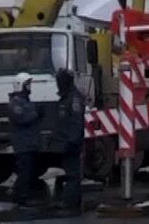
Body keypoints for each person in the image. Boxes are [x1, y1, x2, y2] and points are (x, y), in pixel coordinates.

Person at [8, 72, 41, 207]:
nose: (29, 87)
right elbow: (22, 118)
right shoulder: (16, 102)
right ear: (20, 86)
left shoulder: (25, 101)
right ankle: (21, 197)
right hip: (22, 143)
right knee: (24, 171)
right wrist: (36, 114)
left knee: (27, 170)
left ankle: (19, 194)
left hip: (29, 142)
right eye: (27, 85)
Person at [54, 68, 85, 212]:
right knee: (72, 172)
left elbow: (76, 123)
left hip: (71, 143)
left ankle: (70, 202)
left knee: (72, 174)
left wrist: (71, 141)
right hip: (66, 141)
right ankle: (74, 200)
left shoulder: (73, 99)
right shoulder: (67, 96)